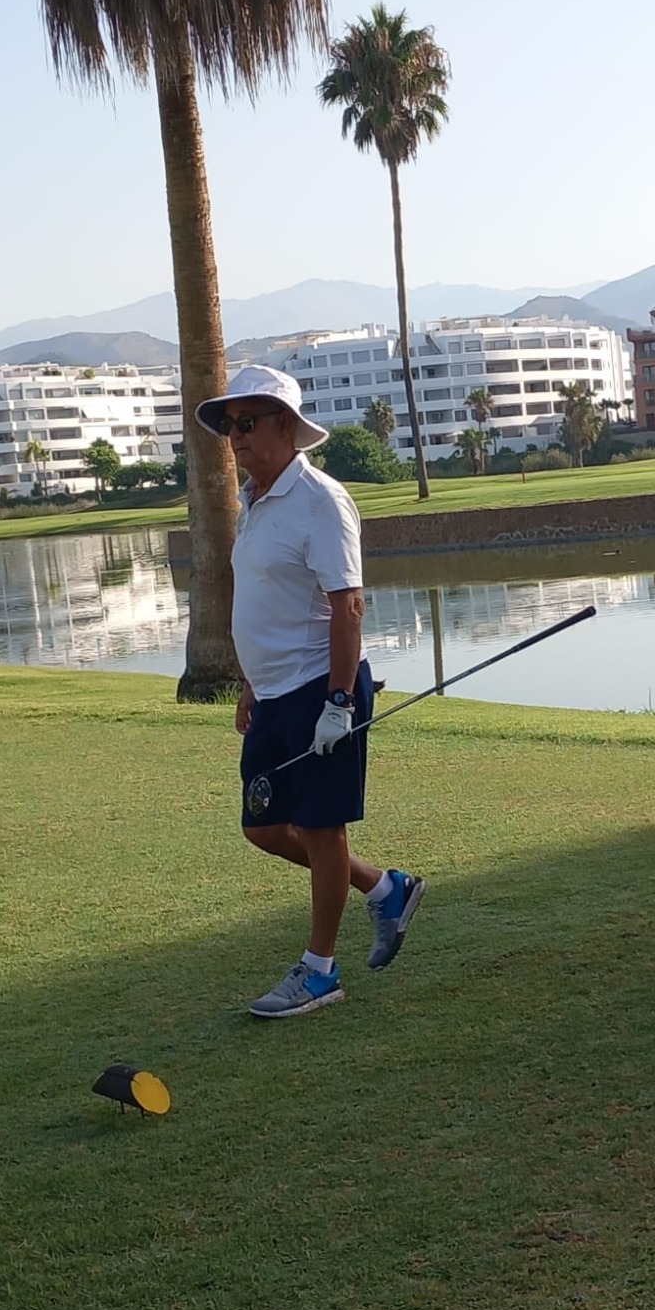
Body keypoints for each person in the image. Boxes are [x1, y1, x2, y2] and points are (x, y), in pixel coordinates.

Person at [194, 365, 425, 1017]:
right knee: (264, 825)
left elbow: (347, 605)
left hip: (321, 689)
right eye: (229, 425)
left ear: (286, 427)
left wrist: (340, 703)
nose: (236, 436)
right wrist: (250, 681)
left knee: (322, 830)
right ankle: (384, 889)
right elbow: (266, 598)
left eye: (247, 422)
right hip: (273, 694)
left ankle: (320, 971)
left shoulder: (321, 500)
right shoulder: (254, 501)